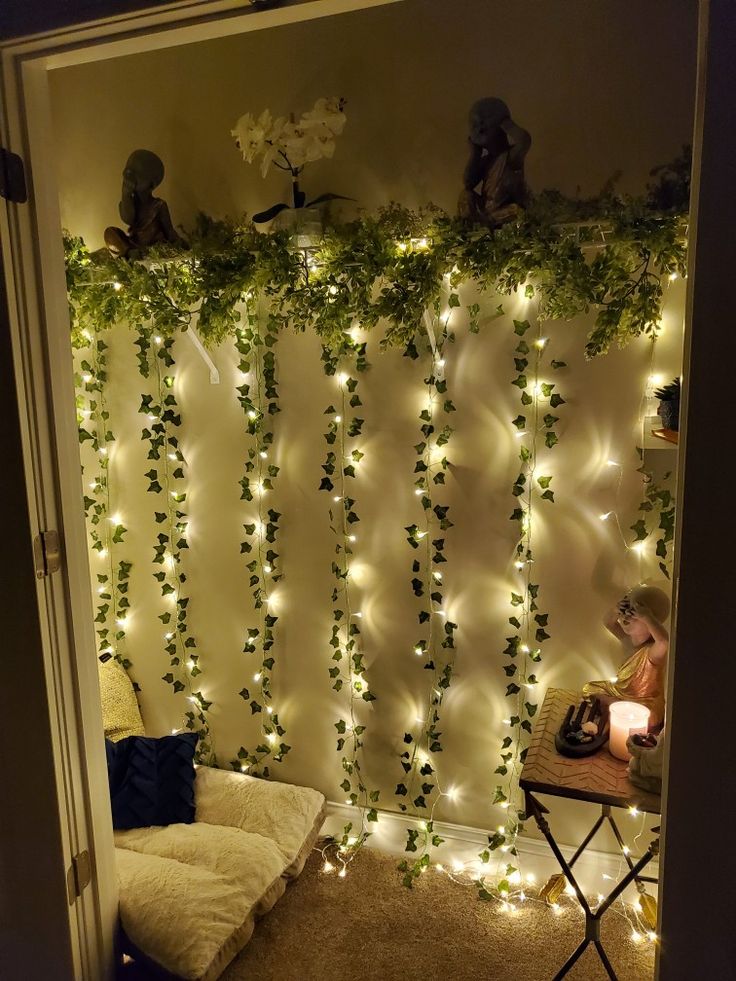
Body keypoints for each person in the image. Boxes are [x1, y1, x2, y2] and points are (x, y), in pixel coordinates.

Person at [583, 585, 670, 728]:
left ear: (652, 621)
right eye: (625, 613)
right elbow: (608, 622)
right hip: (619, 692)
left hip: (644, 702)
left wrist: (645, 615)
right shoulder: (626, 640)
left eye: (634, 615)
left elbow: (664, 641)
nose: (625, 618)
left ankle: (616, 709)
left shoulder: (653, 651)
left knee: (649, 718)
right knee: (589, 688)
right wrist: (618, 609)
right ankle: (614, 705)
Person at [458, 97, 531, 227]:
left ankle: (486, 225)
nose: (480, 130)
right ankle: (473, 230)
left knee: (516, 211)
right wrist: (475, 154)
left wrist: (505, 122)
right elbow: (468, 183)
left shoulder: (510, 157)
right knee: (466, 195)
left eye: (484, 124)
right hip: (487, 213)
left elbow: (524, 141)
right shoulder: (486, 162)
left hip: (505, 213)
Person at [104, 149, 186, 258]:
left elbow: (169, 231)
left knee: (158, 247)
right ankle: (130, 252)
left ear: (151, 184)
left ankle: (135, 254)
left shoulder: (159, 205)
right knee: (110, 232)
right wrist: (125, 195)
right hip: (135, 245)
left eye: (136, 174)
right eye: (128, 172)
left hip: (154, 247)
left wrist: (181, 245)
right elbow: (128, 219)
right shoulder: (129, 203)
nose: (129, 177)